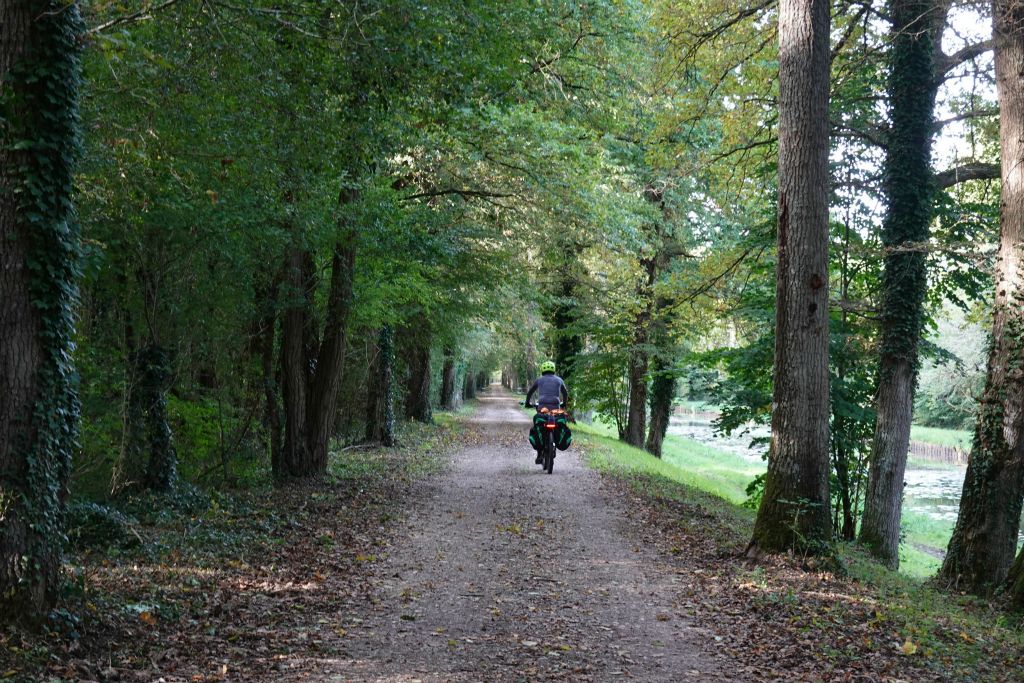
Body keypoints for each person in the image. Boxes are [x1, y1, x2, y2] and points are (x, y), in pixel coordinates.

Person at [525, 361, 571, 463]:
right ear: (553, 370)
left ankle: (539, 454)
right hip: (556, 410)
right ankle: (555, 440)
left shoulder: (539, 380)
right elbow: (565, 393)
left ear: (542, 370)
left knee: (538, 425)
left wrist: (527, 403)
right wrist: (564, 403)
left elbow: (530, 393)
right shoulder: (559, 380)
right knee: (558, 423)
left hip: (542, 409)